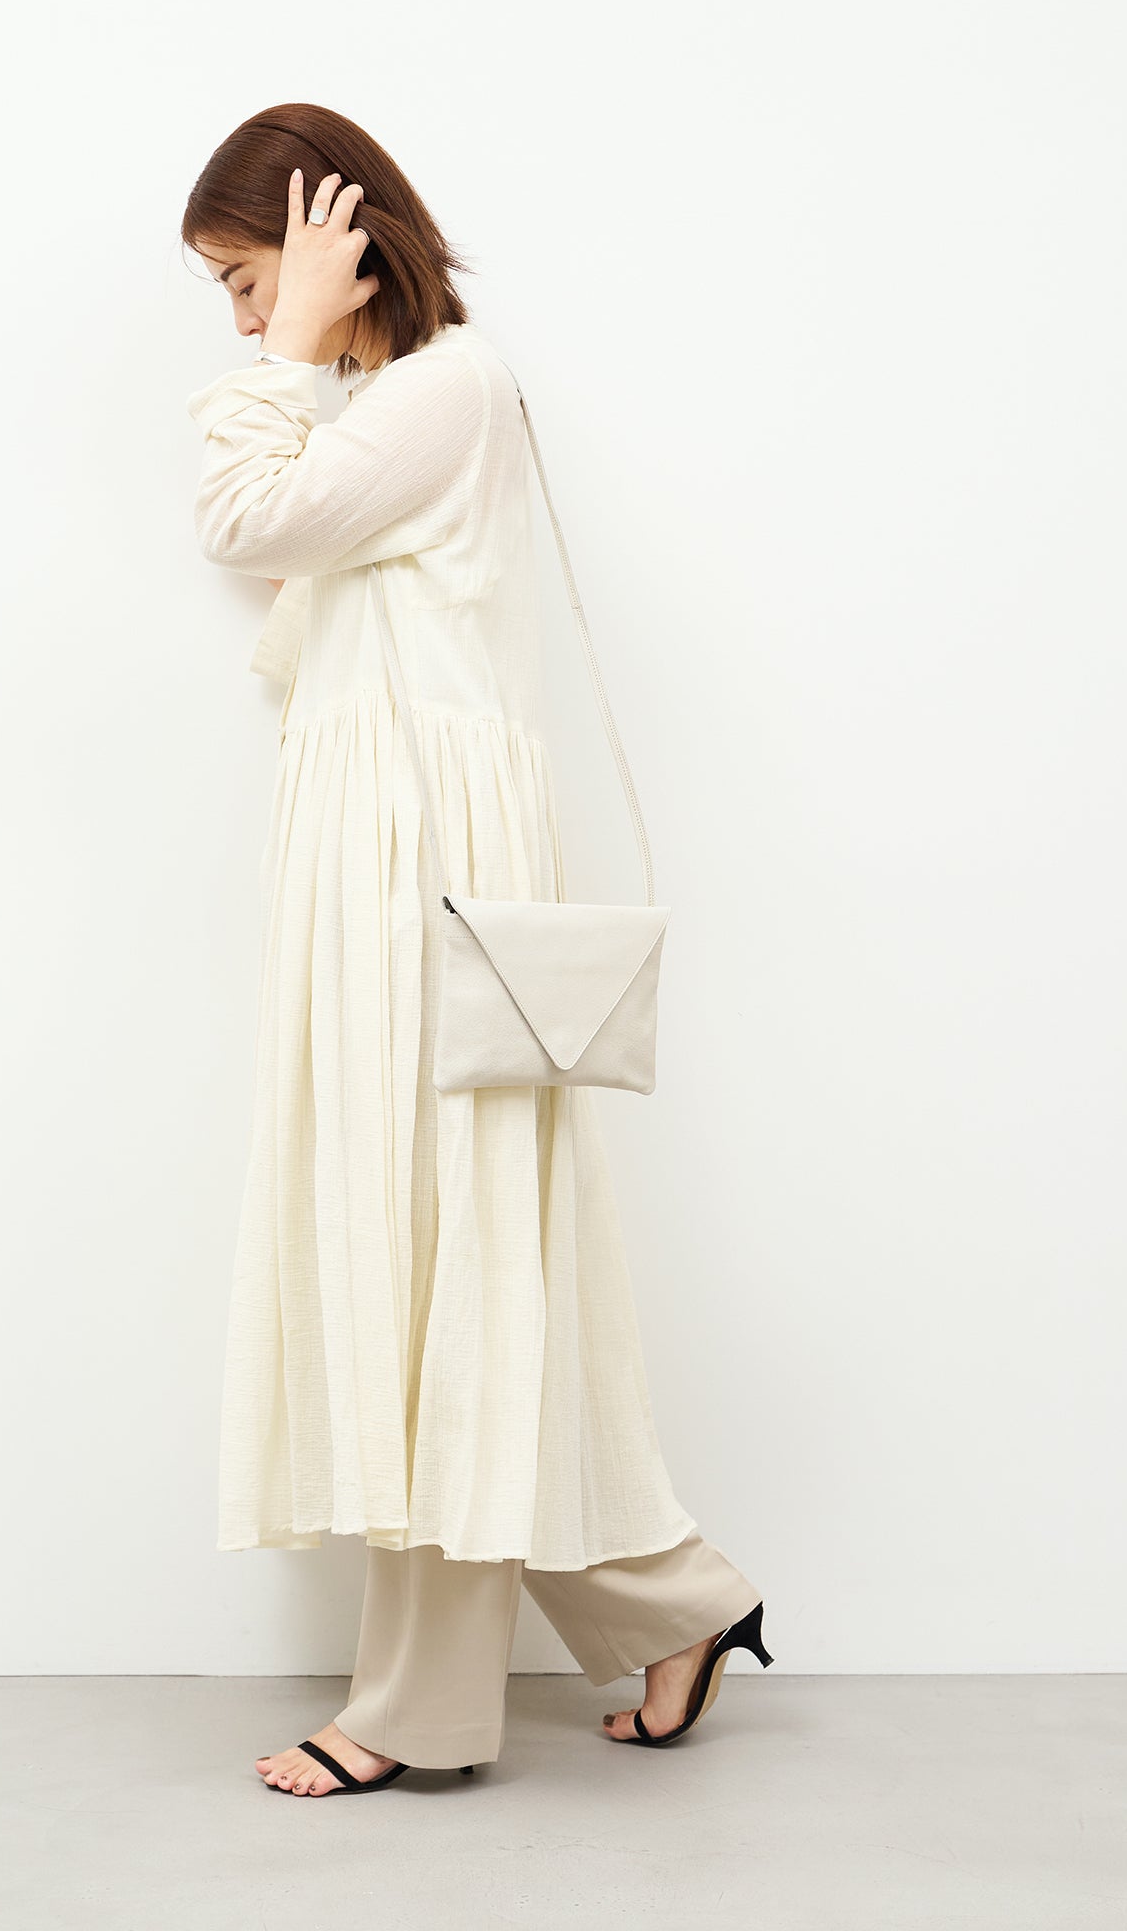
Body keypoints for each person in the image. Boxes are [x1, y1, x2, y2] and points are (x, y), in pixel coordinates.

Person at [180, 104, 772, 1799]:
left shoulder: (447, 387)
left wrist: (287, 351)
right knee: (429, 1252)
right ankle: (675, 1601)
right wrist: (304, 374)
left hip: (424, 869)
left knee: (440, 1255)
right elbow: (298, 604)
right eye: (235, 295)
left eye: (250, 275)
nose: (246, 317)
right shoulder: (389, 419)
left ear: (337, 239)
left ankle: (424, 1707)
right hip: (375, 864)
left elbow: (242, 525)